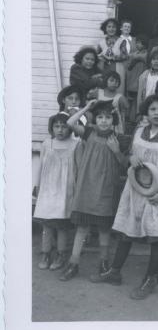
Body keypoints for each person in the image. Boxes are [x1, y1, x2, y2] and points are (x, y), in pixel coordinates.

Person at [90, 95, 158, 300]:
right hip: (134, 190)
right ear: (146, 112)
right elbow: (129, 161)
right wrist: (130, 157)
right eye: (152, 109)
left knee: (156, 237)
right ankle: (114, 272)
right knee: (127, 231)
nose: (157, 113)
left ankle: (150, 279)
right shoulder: (139, 132)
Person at [59, 100, 128, 281]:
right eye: (100, 117)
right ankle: (73, 264)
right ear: (95, 120)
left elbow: (125, 165)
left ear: (113, 120)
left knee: (104, 229)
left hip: (106, 188)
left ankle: (104, 263)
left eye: (107, 117)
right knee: (82, 227)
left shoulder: (118, 139)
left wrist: (116, 151)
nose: (104, 121)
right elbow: (69, 123)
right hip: (87, 187)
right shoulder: (88, 132)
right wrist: (87, 108)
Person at [33, 113, 78, 271]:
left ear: (70, 128)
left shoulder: (75, 144)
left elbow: (78, 169)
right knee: (47, 224)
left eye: (64, 126)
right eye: (57, 126)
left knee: (62, 225)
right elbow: (41, 166)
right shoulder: (47, 143)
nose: (60, 130)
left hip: (65, 190)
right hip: (48, 189)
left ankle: (61, 254)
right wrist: (37, 185)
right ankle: (46, 253)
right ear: (52, 128)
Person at [126, 34, 148, 122]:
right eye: (137, 43)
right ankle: (131, 119)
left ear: (145, 44)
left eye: (140, 43)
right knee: (132, 100)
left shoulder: (146, 53)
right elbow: (129, 65)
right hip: (132, 79)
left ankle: (136, 119)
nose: (138, 45)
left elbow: (144, 59)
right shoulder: (135, 53)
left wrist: (135, 58)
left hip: (140, 80)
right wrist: (134, 58)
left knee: (138, 100)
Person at [112, 19, 136, 95]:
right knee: (120, 85)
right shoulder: (116, 40)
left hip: (133, 67)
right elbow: (114, 54)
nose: (127, 28)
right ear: (121, 28)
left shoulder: (134, 40)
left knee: (130, 87)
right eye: (125, 26)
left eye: (129, 27)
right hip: (120, 65)